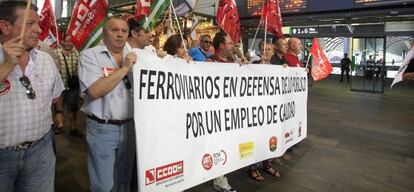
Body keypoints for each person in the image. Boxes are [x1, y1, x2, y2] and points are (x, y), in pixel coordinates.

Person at [0, 1, 65, 192]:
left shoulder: (46, 59)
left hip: (41, 152)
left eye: (38, 23)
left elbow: (55, 95)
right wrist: (7, 65)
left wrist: (59, 111)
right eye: (30, 24)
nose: (38, 30)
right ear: (5, 26)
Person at [78, 16, 137, 192]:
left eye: (124, 31)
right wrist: (125, 69)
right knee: (103, 186)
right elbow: (94, 91)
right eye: (114, 30)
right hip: (102, 129)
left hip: (130, 128)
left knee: (123, 182)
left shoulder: (136, 57)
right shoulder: (90, 56)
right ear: (104, 33)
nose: (120, 35)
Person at [206, 31, 236, 192]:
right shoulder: (210, 62)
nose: (233, 46)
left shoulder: (232, 61)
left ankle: (221, 177)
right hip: (215, 115)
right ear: (222, 45)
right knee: (217, 147)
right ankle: (219, 179)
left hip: (230, 114)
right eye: (230, 43)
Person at [249, 40, 281, 181]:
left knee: (269, 137)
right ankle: (253, 167)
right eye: (263, 49)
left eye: (268, 49)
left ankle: (267, 164)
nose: (265, 52)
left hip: (271, 111)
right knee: (256, 138)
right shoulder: (253, 66)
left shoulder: (277, 68)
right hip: (256, 110)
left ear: (273, 52)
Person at [55, 34, 83, 136]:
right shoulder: (56, 53)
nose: (69, 44)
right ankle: (58, 126)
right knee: (58, 108)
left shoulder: (76, 53)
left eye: (71, 42)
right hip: (59, 86)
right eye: (66, 41)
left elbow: (80, 67)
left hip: (73, 86)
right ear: (62, 41)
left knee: (73, 108)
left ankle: (73, 128)